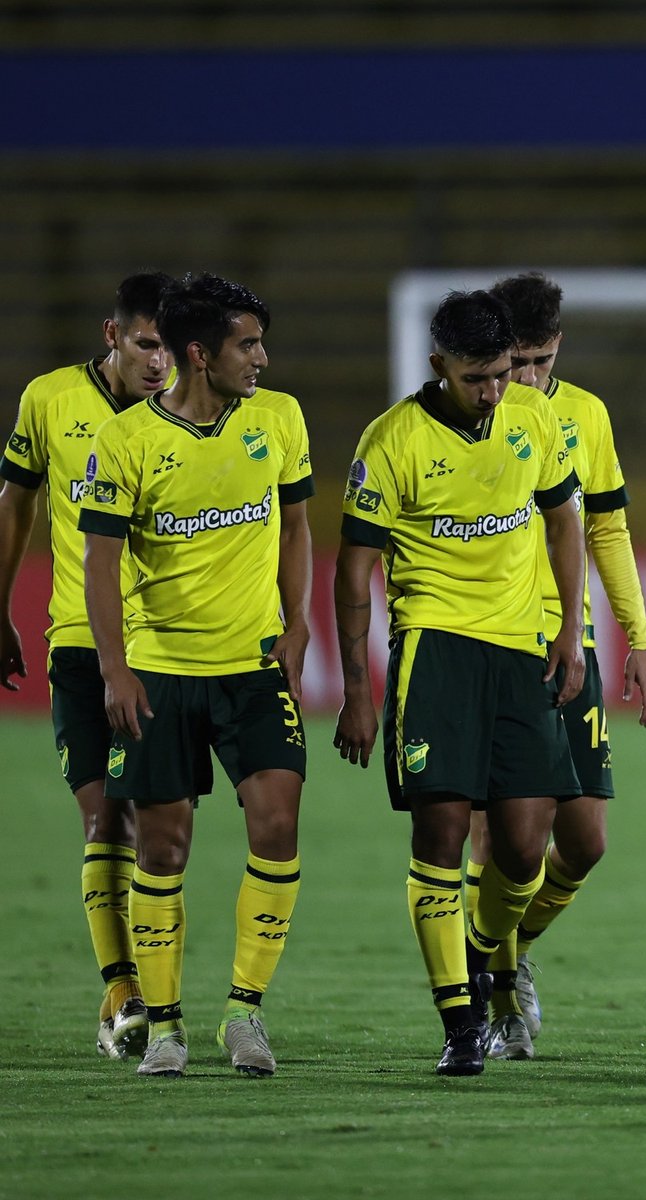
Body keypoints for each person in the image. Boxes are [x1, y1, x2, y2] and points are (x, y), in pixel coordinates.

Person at [331, 289, 586, 1077]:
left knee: (522, 846)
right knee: (440, 834)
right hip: (433, 652)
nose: (495, 390)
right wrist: (358, 689)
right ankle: (460, 1020)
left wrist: (572, 631)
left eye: (504, 373)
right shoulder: (392, 441)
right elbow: (353, 574)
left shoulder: (534, 419)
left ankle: (481, 953)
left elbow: (564, 519)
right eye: (478, 377)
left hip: (520, 652)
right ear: (438, 364)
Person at [78, 273, 314, 1078]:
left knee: (277, 824)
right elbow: (99, 562)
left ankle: (244, 1015)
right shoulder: (127, 442)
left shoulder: (278, 419)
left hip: (251, 667)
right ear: (198, 355)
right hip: (164, 671)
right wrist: (115, 668)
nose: (262, 358)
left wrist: (299, 619)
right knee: (164, 849)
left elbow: (295, 524)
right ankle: (168, 1027)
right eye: (247, 345)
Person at [460, 271, 646, 1061]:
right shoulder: (466, 414)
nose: (530, 379)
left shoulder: (584, 416)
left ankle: (497, 952)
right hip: (488, 645)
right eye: (518, 362)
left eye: (542, 361)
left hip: (565, 646)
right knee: (504, 836)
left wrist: (637, 638)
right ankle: (497, 986)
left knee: (583, 843)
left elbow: (606, 530)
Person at [0, 272, 173, 1061]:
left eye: (172, 348)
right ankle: (123, 992)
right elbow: (17, 502)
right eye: (145, 344)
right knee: (107, 817)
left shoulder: (191, 415)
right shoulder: (49, 401)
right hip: (78, 641)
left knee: (161, 831)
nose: (159, 363)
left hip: (170, 649)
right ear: (113, 335)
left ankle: (143, 988)